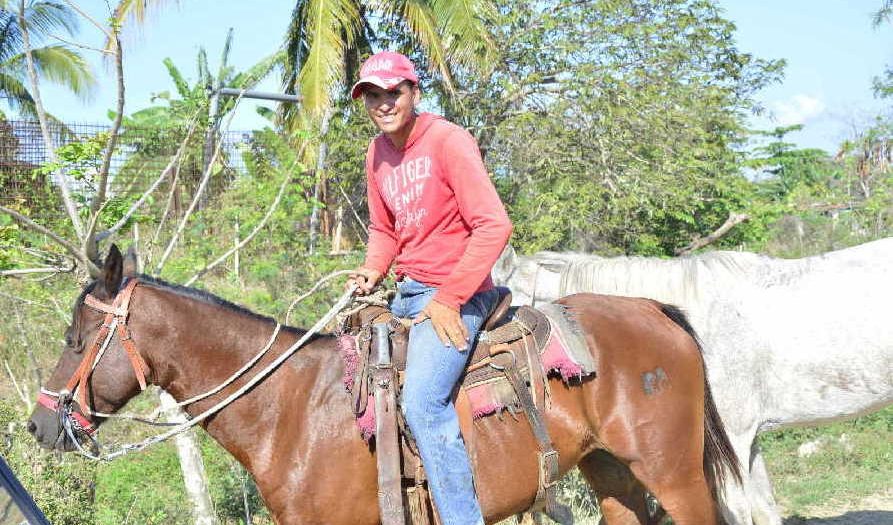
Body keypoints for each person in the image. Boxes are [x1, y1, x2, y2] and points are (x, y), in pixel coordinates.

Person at [347, 51, 513, 525]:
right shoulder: (376, 154)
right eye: (373, 96)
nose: (383, 104)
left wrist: (449, 299)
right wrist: (371, 269)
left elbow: (493, 225)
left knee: (421, 402)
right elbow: (384, 231)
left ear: (414, 93)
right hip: (408, 293)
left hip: (459, 292)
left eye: (393, 92)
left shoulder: (447, 141)